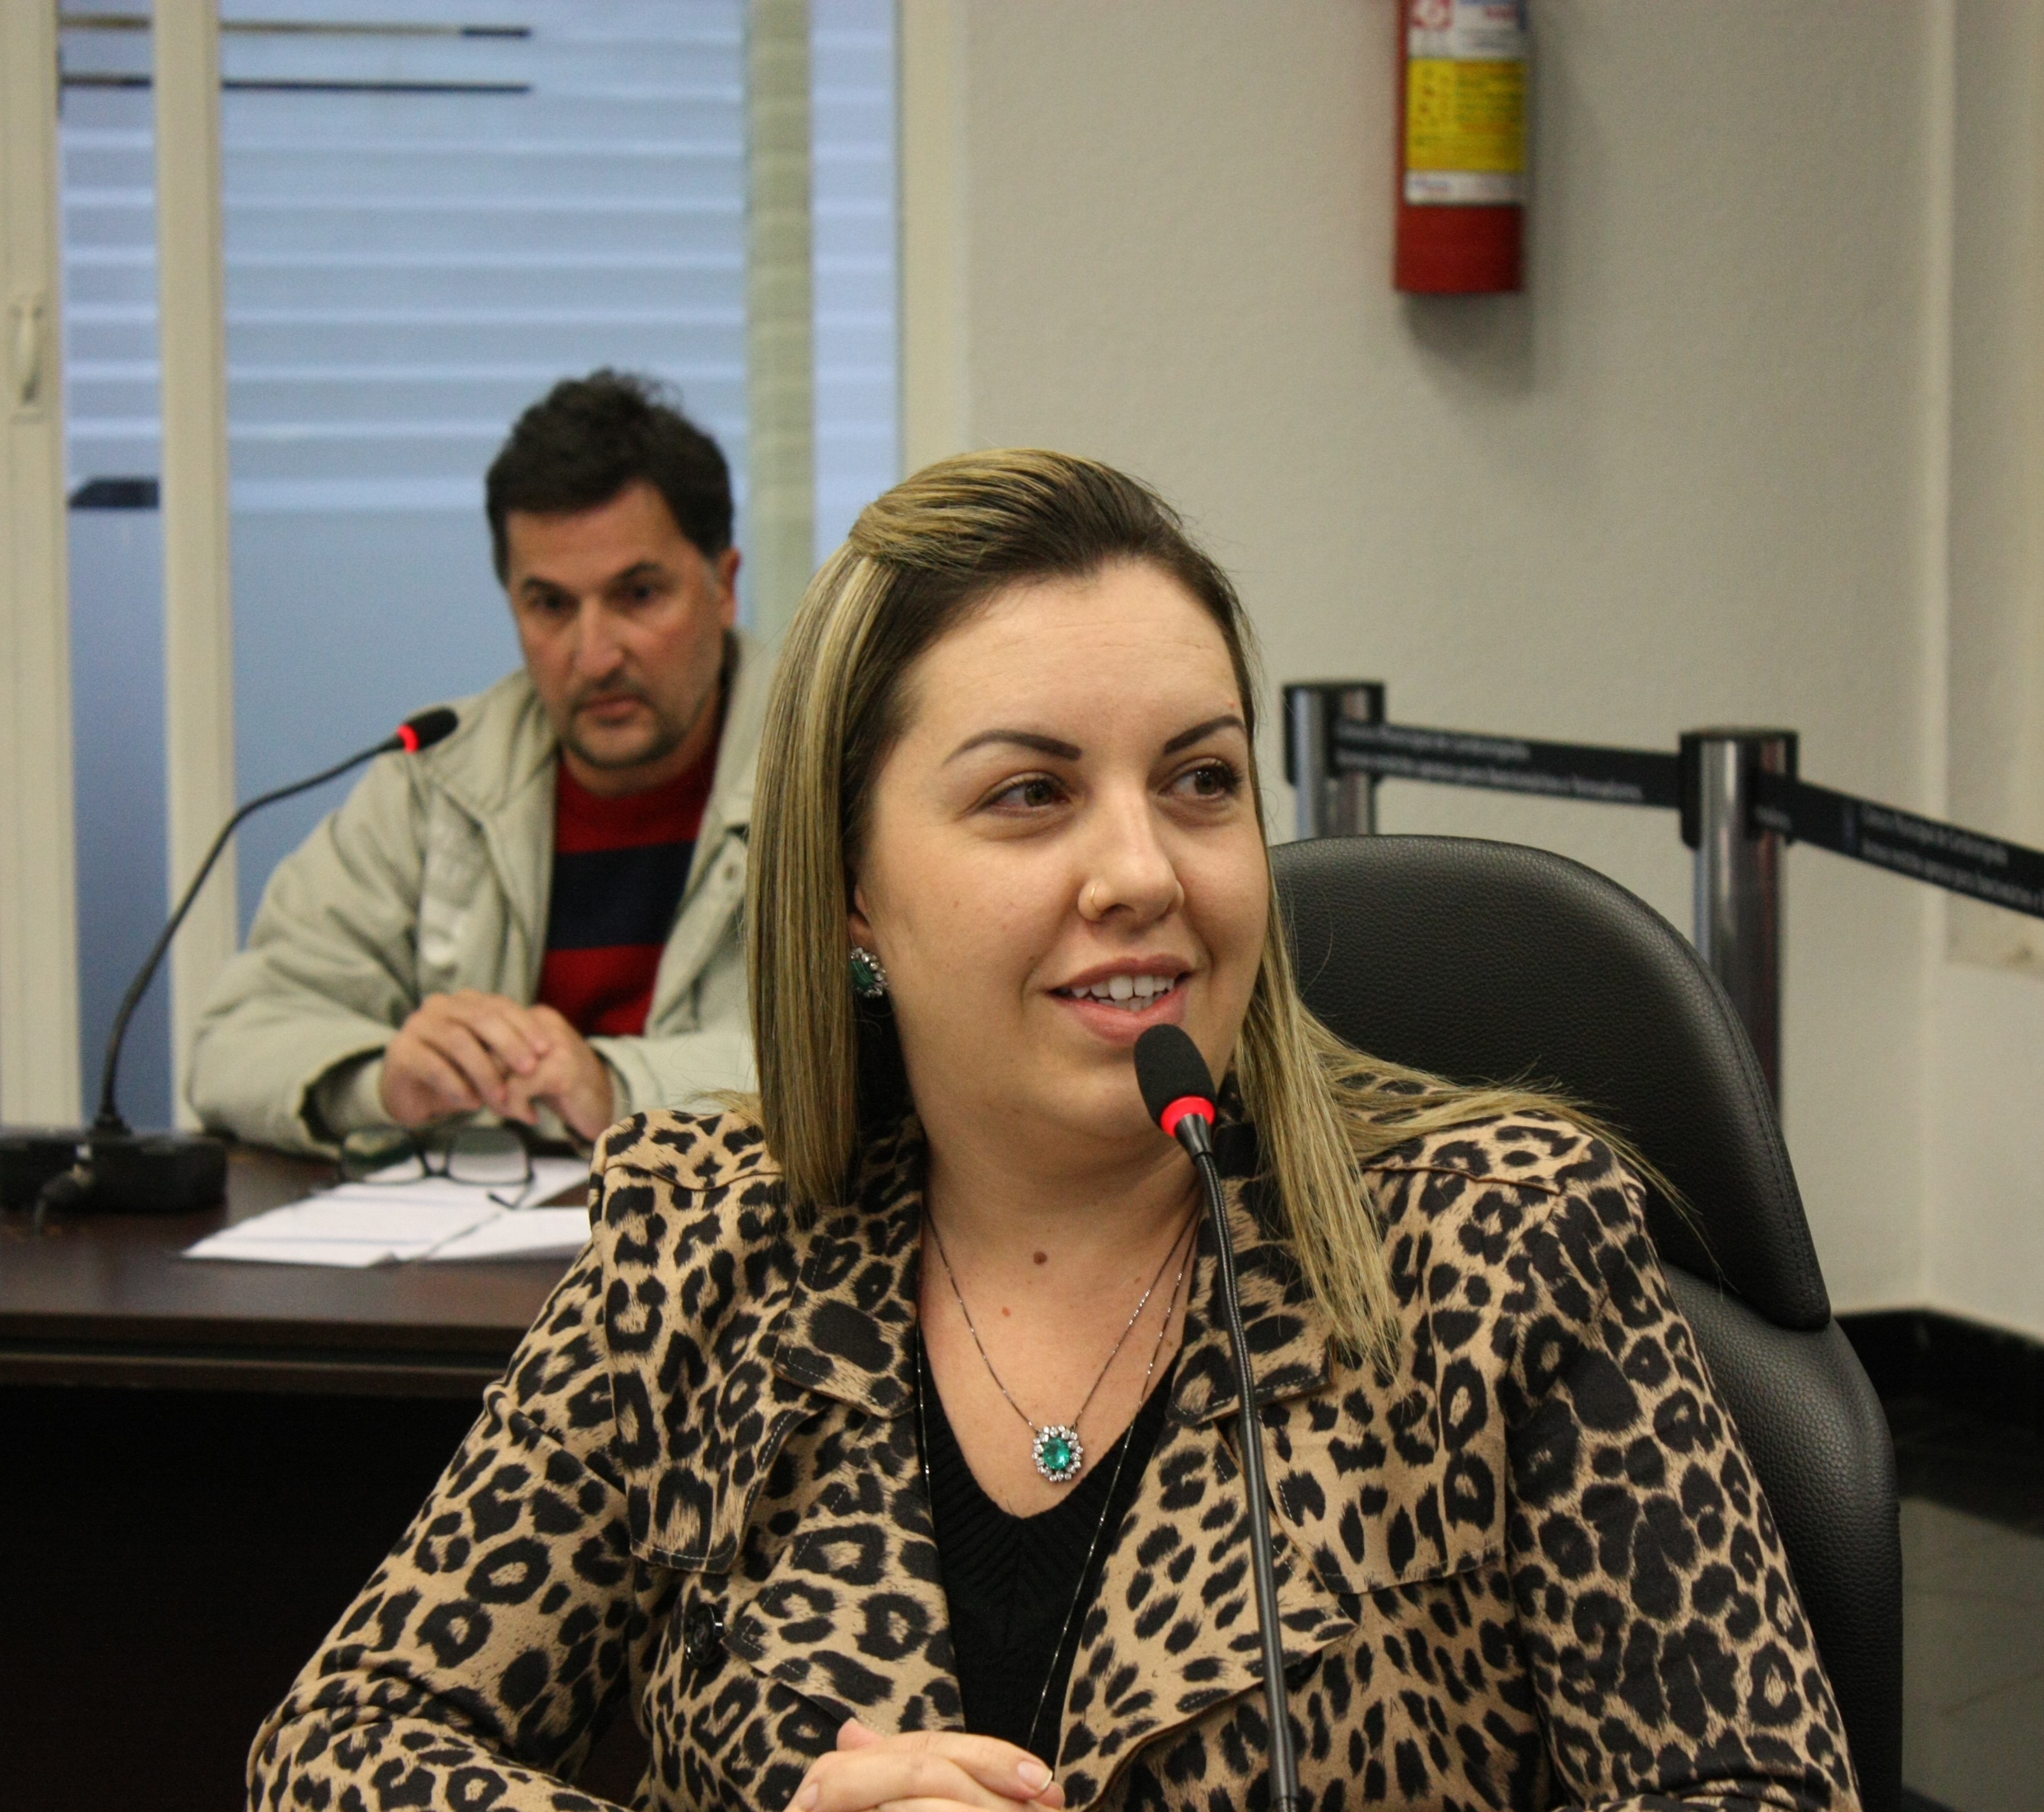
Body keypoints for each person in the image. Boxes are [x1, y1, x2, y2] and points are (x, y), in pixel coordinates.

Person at [248, 452, 1860, 1812]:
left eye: (1202, 780)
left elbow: (1758, 1788)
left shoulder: (1498, 1247)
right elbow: (338, 1748)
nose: (1143, 870)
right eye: (1031, 793)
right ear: (852, 891)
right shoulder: (705, 1245)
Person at [189, 371, 767, 1153]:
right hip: (478, 1225)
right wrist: (382, 1080)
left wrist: (616, 1087)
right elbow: (232, 1043)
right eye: (551, 605)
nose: (595, 655)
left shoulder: (837, 773)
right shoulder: (434, 780)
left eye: (637, 595)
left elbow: (887, 1060)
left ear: (724, 587)